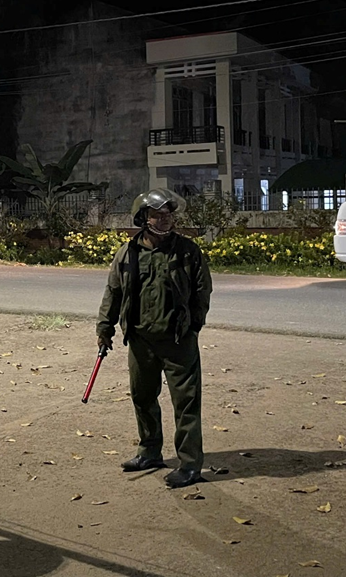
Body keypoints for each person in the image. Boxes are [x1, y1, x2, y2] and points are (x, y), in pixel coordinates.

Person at [96, 188, 212, 489]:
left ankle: (190, 465)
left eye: (168, 215)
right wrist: (104, 329)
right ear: (143, 218)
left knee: (186, 404)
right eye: (158, 215)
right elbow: (113, 292)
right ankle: (149, 452)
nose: (165, 220)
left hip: (178, 342)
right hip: (140, 341)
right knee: (142, 397)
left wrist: (193, 326)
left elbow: (202, 291)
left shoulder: (187, 251)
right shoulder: (127, 253)